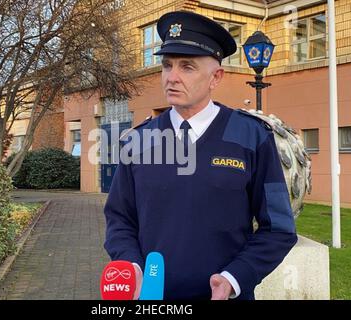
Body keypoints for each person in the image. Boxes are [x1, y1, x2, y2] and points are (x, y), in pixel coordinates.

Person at [103, 10, 297, 300]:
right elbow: (119, 219)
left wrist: (234, 278)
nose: (172, 77)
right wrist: (132, 266)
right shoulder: (138, 141)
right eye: (167, 66)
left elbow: (278, 228)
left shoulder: (251, 136)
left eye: (187, 67)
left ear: (215, 77)